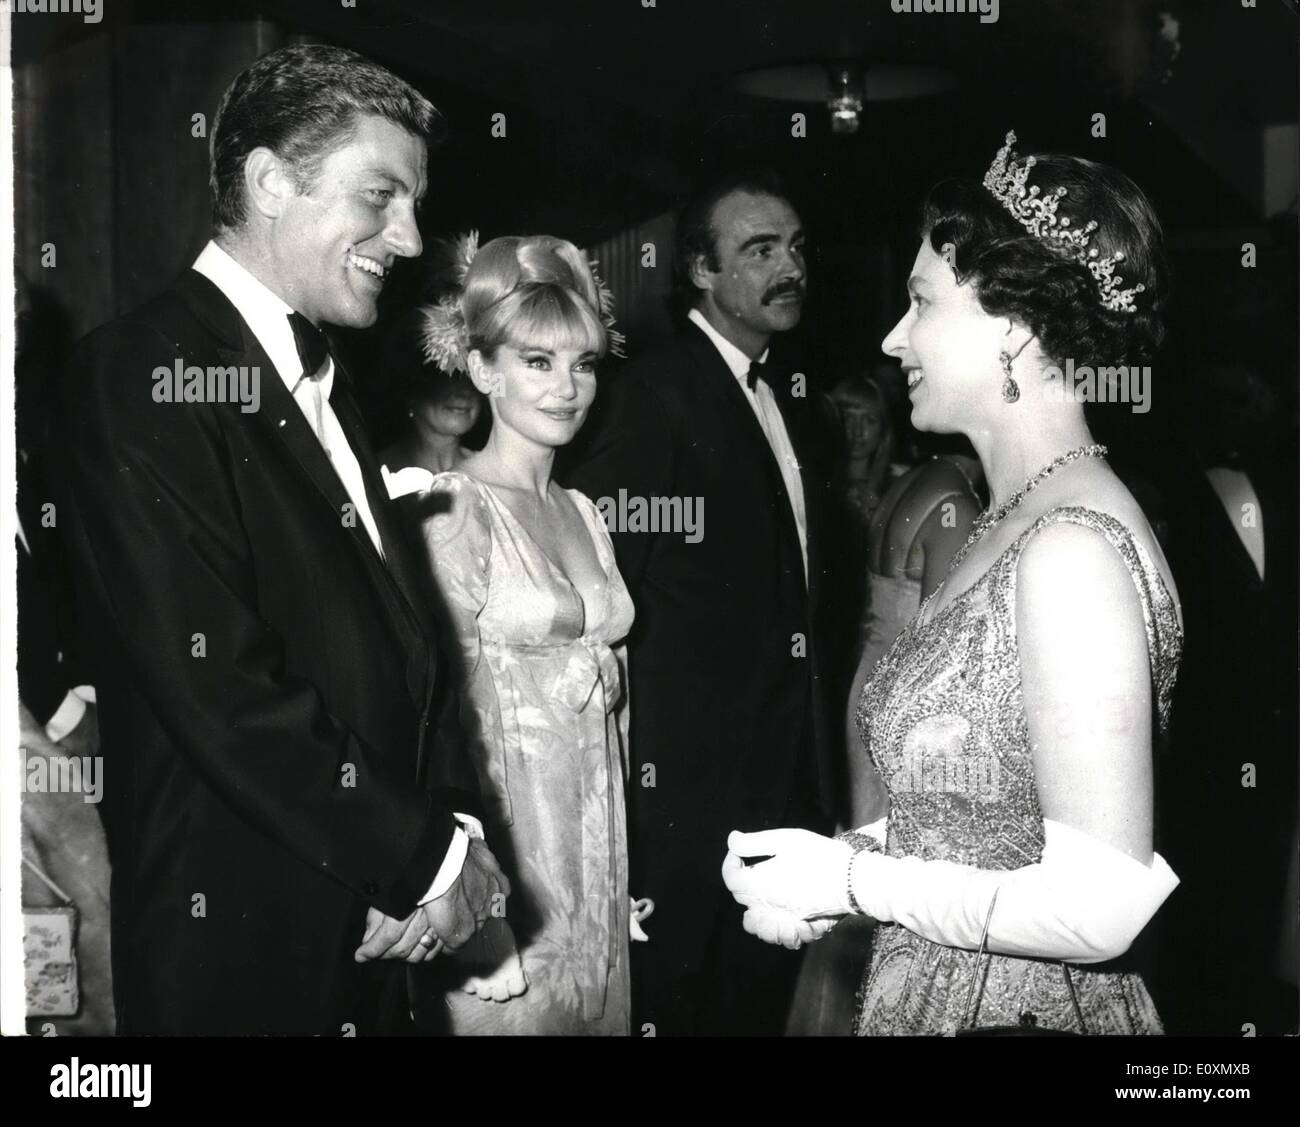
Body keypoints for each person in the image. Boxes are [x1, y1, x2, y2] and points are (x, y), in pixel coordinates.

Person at [52, 44, 509, 1035]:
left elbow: (406, 647)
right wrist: (426, 853)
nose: (411, 234)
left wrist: (450, 825)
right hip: (241, 946)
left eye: (415, 200)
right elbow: (218, 680)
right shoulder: (139, 370)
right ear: (267, 181)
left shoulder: (327, 378)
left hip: (370, 929)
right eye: (380, 195)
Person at [723, 132, 1184, 1035]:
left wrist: (858, 881)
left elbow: (1100, 905)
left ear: (1011, 322)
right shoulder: (1007, 517)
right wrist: (835, 863)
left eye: (920, 301)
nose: (894, 338)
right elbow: (982, 810)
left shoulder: (1072, 548)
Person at [564, 170, 836, 1036]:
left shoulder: (781, 396)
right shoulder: (651, 394)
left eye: (795, 246)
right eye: (759, 249)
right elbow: (606, 601)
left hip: (774, 787)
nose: (789, 265)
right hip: (685, 806)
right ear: (702, 272)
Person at [414, 233, 642, 1034]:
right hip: (507, 874)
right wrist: (482, 906)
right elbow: (439, 719)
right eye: (537, 362)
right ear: (483, 370)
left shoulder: (582, 511)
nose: (567, 387)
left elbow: (613, 716)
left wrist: (617, 874)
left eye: (582, 362)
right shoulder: (453, 509)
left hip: (595, 864)